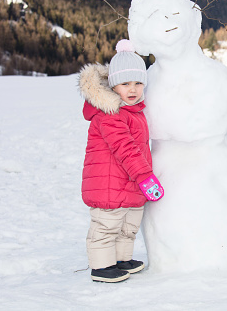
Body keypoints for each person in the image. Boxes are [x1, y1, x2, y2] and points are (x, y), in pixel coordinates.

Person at [77, 39, 164, 283]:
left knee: (128, 225)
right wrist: (145, 176)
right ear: (113, 86)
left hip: (129, 182)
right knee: (106, 226)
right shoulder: (110, 114)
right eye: (125, 83)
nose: (133, 89)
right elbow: (125, 149)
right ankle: (102, 267)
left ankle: (121, 260)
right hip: (109, 183)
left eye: (138, 83)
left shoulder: (133, 111)